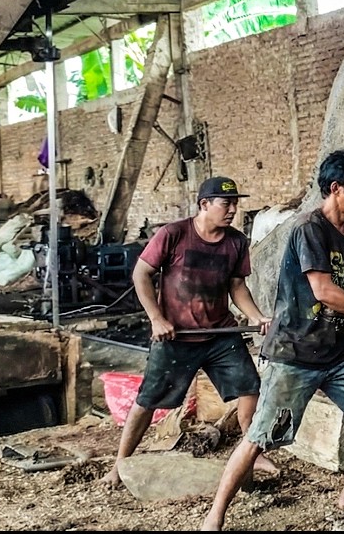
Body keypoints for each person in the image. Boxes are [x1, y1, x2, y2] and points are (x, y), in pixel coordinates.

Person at [202, 149, 344, 531]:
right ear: (335, 187)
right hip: (293, 352)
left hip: (335, 352)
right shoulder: (309, 228)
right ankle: (216, 515)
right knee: (261, 436)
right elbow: (324, 290)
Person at [102, 175, 276, 487]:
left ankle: (252, 452)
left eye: (235, 203)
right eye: (226, 203)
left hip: (220, 335)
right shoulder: (174, 234)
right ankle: (120, 463)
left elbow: (237, 286)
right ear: (204, 204)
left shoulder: (235, 242)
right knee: (147, 400)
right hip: (176, 336)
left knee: (250, 390)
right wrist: (156, 318)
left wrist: (256, 315)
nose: (232, 209)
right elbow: (141, 274)